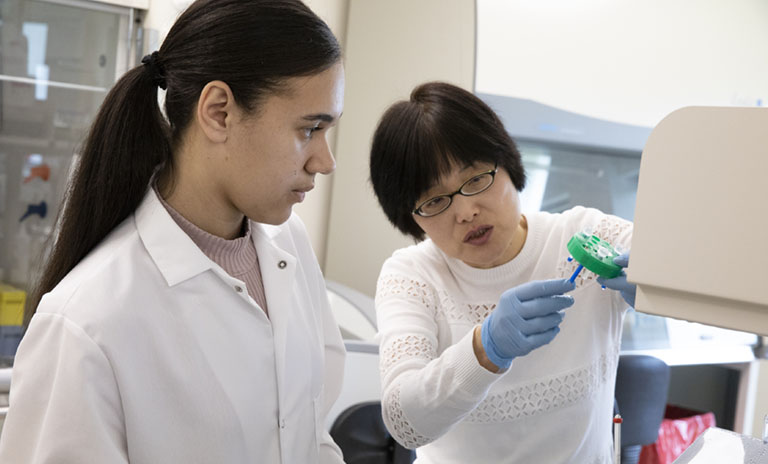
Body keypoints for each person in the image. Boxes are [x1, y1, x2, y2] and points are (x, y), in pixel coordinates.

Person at [0, 1, 346, 462]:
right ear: (219, 112)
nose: (325, 161)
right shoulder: (86, 322)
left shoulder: (289, 245)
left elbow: (310, 432)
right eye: (309, 129)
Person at [369, 82, 636, 463]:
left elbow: (698, 272)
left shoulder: (585, 234)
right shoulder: (411, 276)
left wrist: (661, 286)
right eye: (435, 201)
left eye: (476, 179)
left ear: (508, 163)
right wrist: (485, 349)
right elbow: (404, 421)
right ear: (410, 218)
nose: (465, 212)